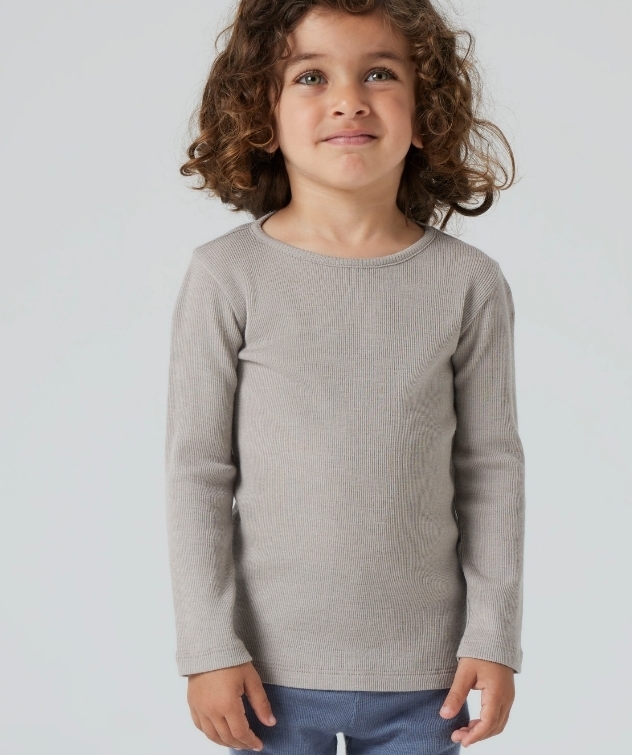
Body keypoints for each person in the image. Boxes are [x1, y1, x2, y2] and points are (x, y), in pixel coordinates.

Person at [164, 1, 524, 752]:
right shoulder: (226, 276)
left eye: (380, 74)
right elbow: (197, 471)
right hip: (264, 676)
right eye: (311, 76)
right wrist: (207, 646)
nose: (349, 100)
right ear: (262, 115)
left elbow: (490, 468)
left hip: (427, 678)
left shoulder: (469, 282)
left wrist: (493, 635)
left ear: (426, 113)